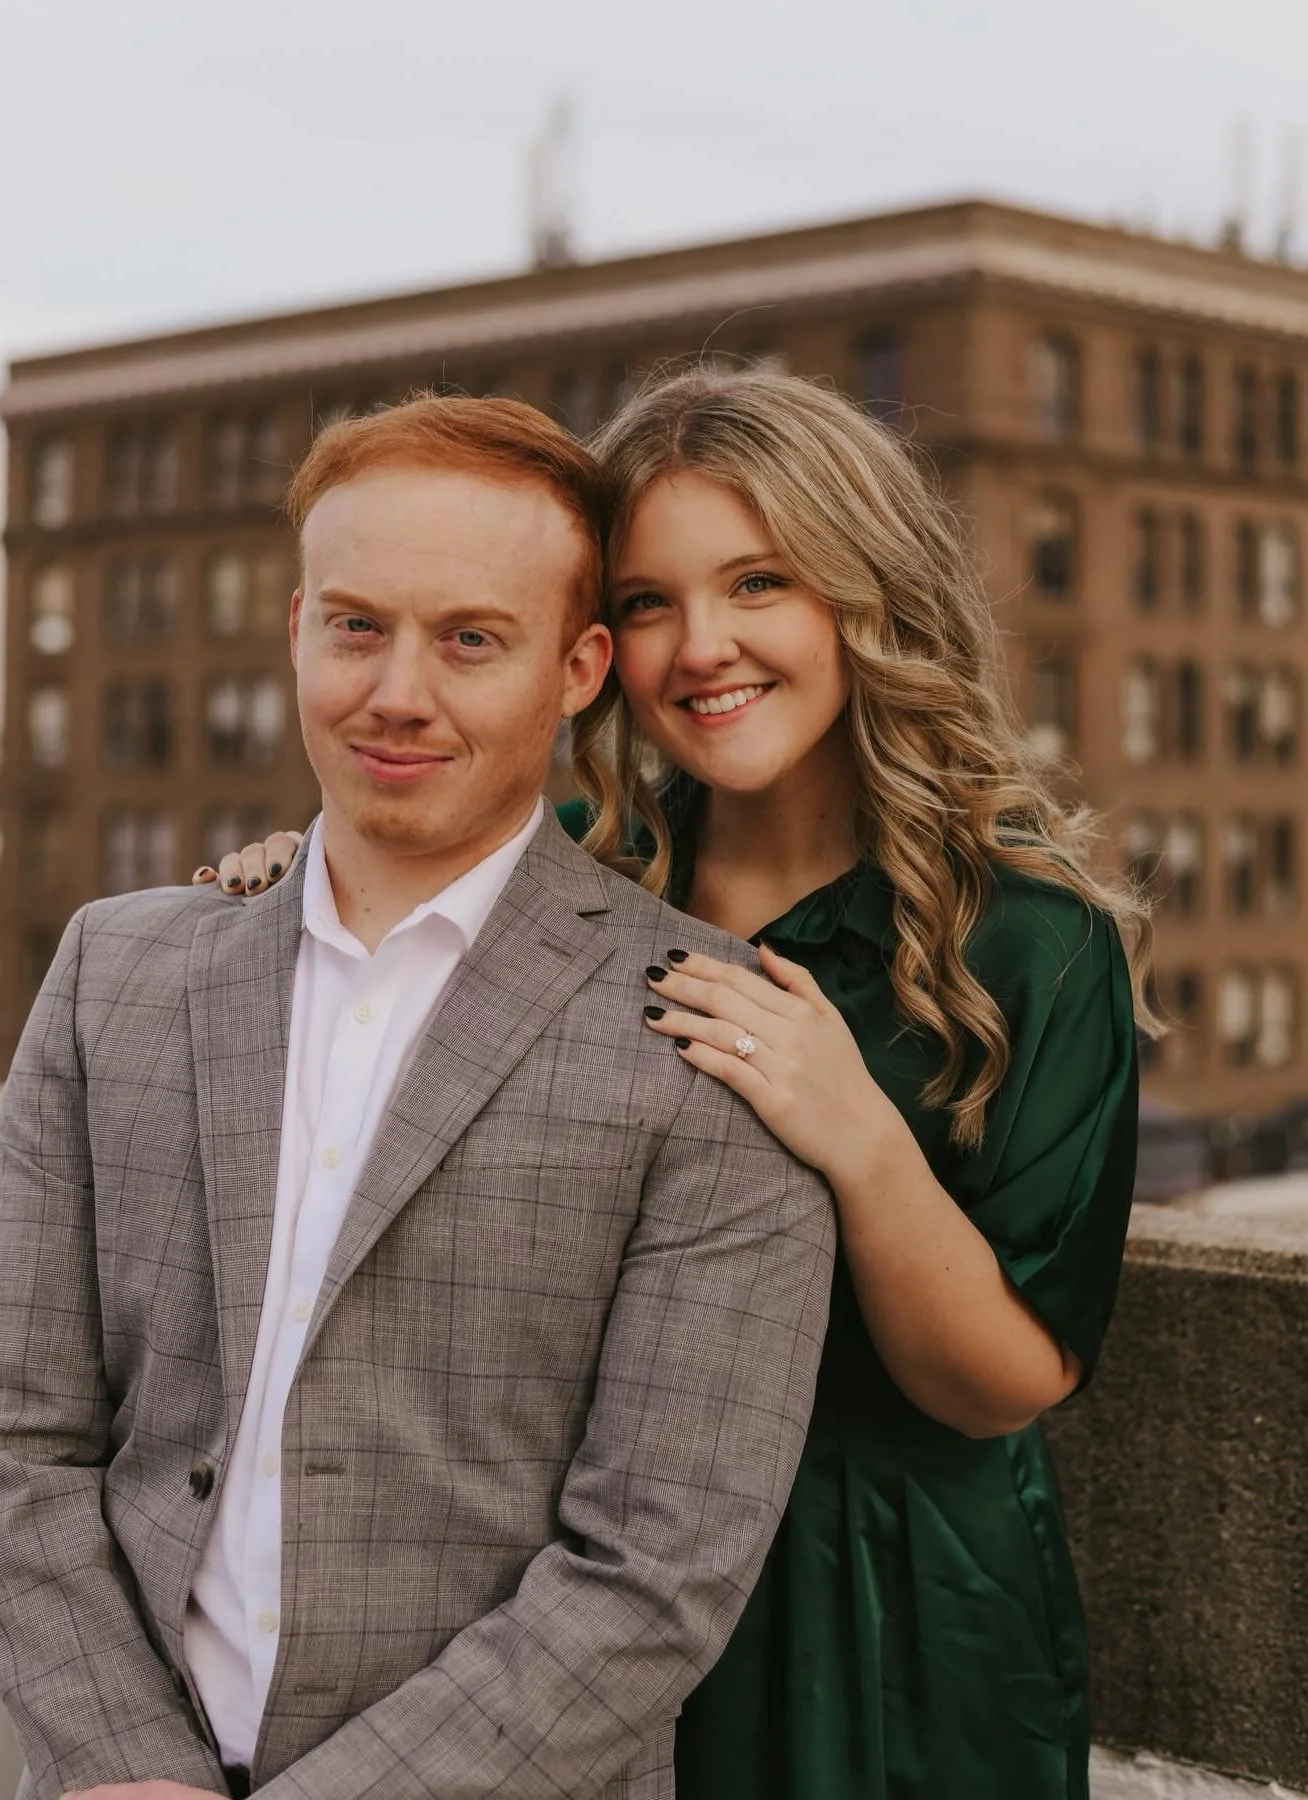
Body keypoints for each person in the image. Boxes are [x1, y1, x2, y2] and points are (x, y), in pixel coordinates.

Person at [213, 365, 1149, 1800]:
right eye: (649, 602)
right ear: (595, 647)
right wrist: (308, 886)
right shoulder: (570, 867)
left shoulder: (1029, 942)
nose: (701, 647)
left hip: (889, 1618)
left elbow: (1005, 1384)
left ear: (863, 593)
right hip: (569, 1595)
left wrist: (859, 1137)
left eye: (759, 583)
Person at [0, 394, 837, 1800]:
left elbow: (657, 1567)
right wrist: (125, 1768)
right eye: (357, 626)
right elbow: (14, 1424)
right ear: (298, 625)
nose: (396, 692)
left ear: (579, 666)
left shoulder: (711, 1033)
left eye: (471, 639)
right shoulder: (113, 973)